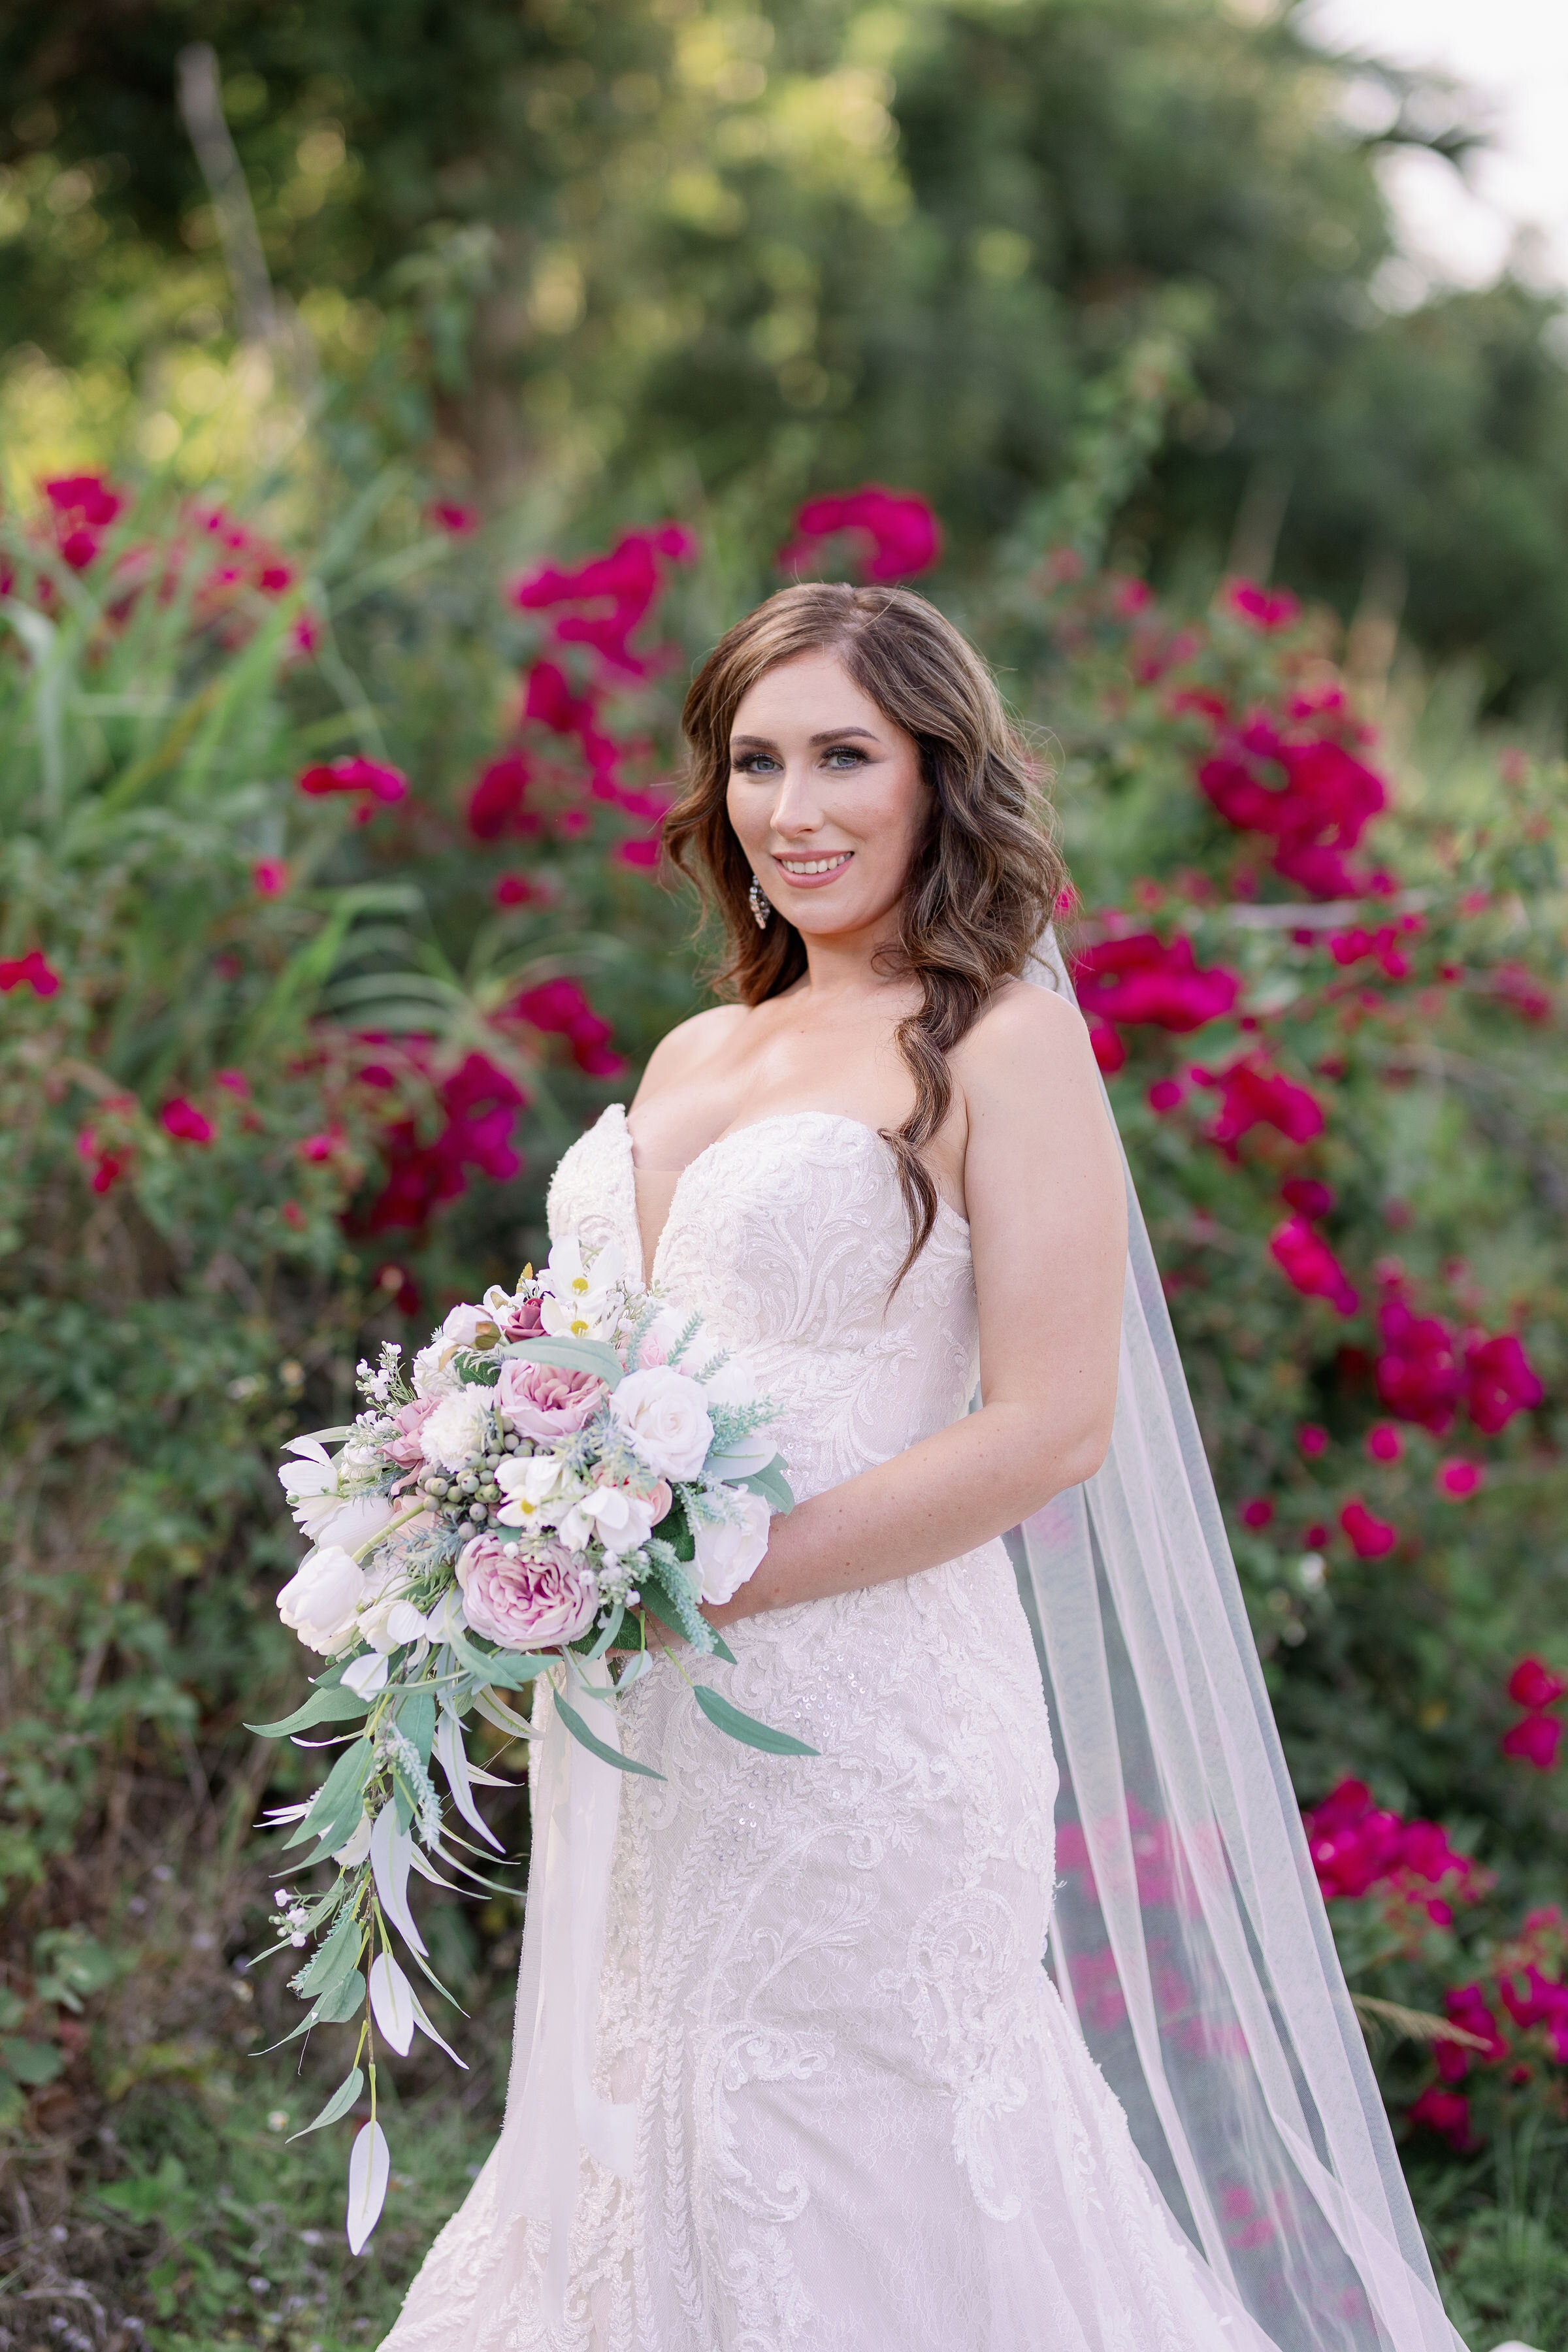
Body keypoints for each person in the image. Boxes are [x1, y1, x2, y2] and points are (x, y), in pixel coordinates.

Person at [384, 585, 1462, 2352]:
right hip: (646, 1732)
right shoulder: (693, 1051)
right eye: (754, 760)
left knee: (857, 2142)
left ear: (937, 779)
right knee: (639, 2107)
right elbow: (592, 1362)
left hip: (868, 1724)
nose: (790, 809)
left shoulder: (1001, 1045)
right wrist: (496, 1504)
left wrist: (711, 1575)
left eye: (842, 758)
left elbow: (1052, 1424)